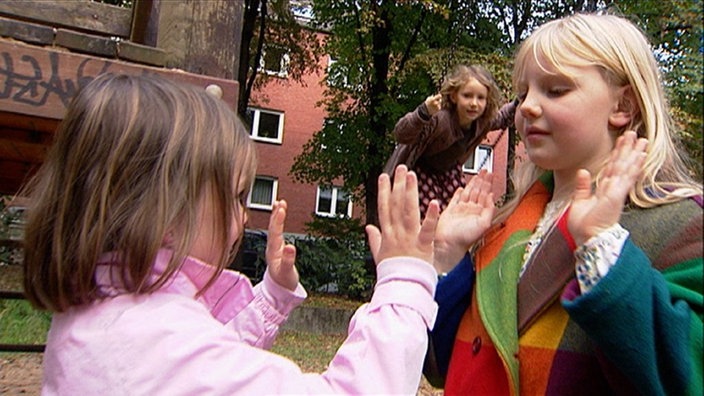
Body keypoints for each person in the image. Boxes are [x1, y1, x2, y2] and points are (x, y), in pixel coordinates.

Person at [20, 73, 478, 395]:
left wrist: (271, 297)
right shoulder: (154, 341)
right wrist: (401, 285)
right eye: (238, 196)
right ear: (165, 207)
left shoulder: (108, 315)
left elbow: (208, 364)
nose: (243, 218)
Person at [426, 13, 703, 395]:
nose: (526, 108)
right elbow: (438, 365)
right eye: (524, 94)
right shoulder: (505, 224)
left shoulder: (680, 223)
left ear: (623, 105)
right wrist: (449, 258)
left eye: (555, 91)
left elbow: (690, 376)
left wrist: (602, 249)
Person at [387, 64, 516, 215]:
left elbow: (503, 117)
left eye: (480, 98)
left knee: (457, 211)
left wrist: (520, 101)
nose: (474, 103)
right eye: (467, 96)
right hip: (422, 169)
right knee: (430, 212)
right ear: (454, 96)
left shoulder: (482, 122)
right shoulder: (440, 120)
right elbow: (401, 134)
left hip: (448, 172)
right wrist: (423, 113)